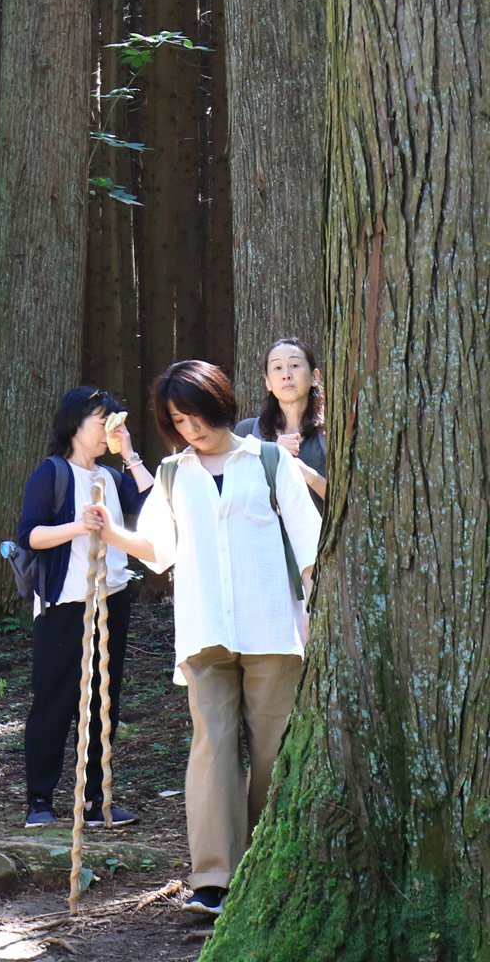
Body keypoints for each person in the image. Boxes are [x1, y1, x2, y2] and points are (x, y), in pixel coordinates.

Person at [123, 360, 320, 919]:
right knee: (211, 750)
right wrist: (109, 531)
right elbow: (158, 552)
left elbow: (309, 541)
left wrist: (313, 607)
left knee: (271, 751)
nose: (191, 429)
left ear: (220, 404)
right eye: (178, 420)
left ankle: (267, 866)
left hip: (272, 628)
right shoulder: (171, 474)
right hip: (205, 629)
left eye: (197, 415)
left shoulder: (268, 460)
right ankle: (213, 879)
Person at [16, 386, 155, 830]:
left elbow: (156, 512)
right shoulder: (52, 473)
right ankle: (40, 800)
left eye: (115, 421)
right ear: (75, 425)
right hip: (63, 605)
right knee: (55, 701)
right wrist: (79, 525)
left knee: (103, 703)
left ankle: (97, 799)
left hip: (112, 601)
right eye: (103, 421)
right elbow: (30, 536)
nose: (109, 429)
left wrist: (129, 454)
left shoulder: (114, 479)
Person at [236, 337, 329, 510]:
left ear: (314, 377)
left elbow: (350, 503)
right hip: (266, 537)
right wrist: (270, 456)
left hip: (321, 536)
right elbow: (235, 498)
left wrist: (307, 474)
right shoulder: (248, 432)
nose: (286, 375)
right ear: (268, 382)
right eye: (277, 368)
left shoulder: (332, 433)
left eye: (294, 365)